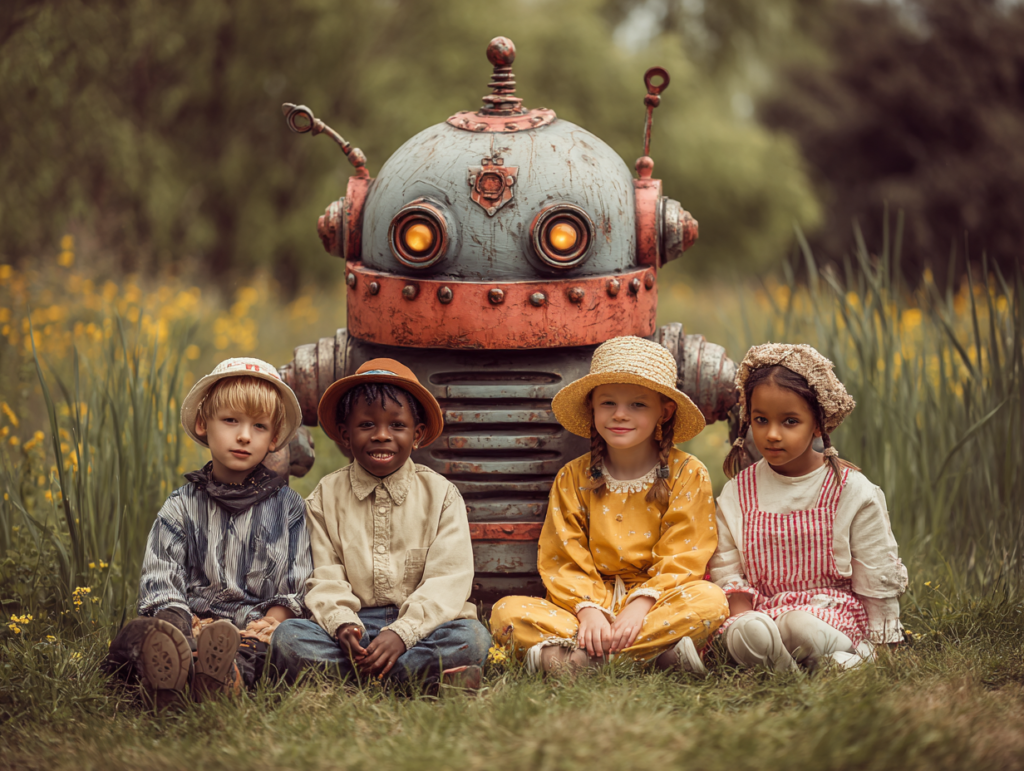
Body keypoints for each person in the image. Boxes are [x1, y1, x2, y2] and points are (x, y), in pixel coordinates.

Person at [490, 336, 729, 675]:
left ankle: (579, 662)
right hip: (584, 608)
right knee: (506, 613)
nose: (620, 415)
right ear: (592, 407)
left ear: (665, 410)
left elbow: (684, 554)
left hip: (658, 604)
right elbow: (564, 556)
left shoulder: (688, 473)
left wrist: (641, 604)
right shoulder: (573, 477)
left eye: (638, 405)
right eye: (608, 403)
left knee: (711, 601)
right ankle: (651, 659)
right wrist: (590, 612)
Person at [102, 357, 312, 707]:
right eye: (230, 421)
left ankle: (218, 678)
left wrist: (272, 622)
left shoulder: (289, 508)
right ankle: (174, 666)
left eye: (259, 427)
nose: (244, 435)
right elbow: (161, 575)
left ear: (275, 438)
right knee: (133, 636)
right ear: (204, 424)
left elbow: (298, 579)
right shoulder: (181, 505)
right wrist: (180, 619)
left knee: (267, 650)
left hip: (250, 631)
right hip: (188, 621)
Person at [269, 359, 491, 688]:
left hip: (422, 625)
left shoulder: (442, 495)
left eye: (397, 426)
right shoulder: (324, 498)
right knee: (289, 637)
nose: (382, 435)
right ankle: (410, 678)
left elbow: (449, 580)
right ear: (345, 434)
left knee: (471, 638)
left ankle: (356, 679)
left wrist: (403, 634)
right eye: (367, 425)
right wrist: (343, 625)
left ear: (417, 434)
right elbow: (323, 576)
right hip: (352, 628)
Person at [710, 343, 908, 673]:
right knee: (745, 631)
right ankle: (802, 666)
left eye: (790, 421)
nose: (772, 435)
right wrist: (742, 617)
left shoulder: (851, 490)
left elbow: (875, 572)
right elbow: (728, 569)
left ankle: (855, 655)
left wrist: (885, 637)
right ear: (748, 420)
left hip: (830, 614)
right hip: (764, 613)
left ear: (818, 425)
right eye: (761, 420)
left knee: (797, 626)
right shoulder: (738, 492)